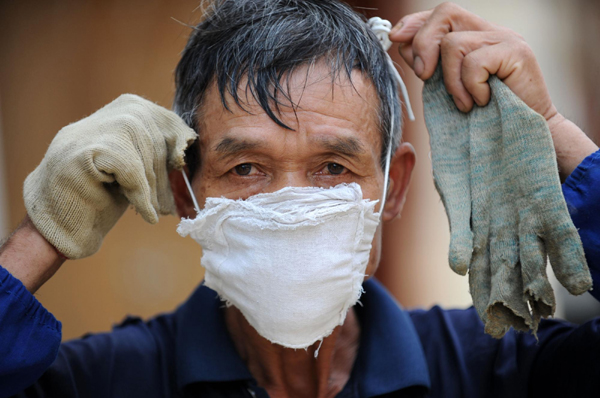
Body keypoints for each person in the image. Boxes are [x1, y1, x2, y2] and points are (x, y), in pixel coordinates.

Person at [1, 1, 599, 397]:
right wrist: (45, 234)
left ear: (391, 189)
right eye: (245, 168)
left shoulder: (489, 372)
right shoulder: (109, 381)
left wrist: (550, 126)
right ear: (187, 191)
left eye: (333, 167)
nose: (291, 206)